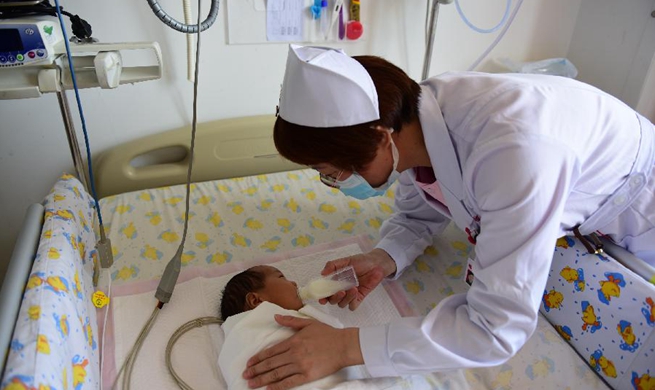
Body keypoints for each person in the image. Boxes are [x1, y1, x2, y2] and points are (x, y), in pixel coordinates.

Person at [241, 44, 655, 390]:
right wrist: (386, 256)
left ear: (381, 137)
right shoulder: (415, 126)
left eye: (332, 171)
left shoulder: (514, 155)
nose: (336, 180)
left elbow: (495, 328)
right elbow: (420, 211)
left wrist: (349, 346)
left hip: (637, 199)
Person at [218, 265, 369, 390]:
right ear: (256, 299)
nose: (295, 283)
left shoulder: (230, 346)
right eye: (281, 277)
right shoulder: (243, 334)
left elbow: (335, 339)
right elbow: (335, 331)